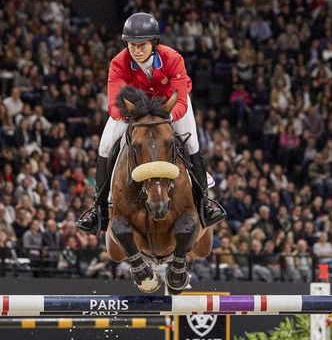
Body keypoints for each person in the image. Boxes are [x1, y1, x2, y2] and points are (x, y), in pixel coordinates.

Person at [76, 12, 226, 234]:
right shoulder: (119, 62)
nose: (136, 50)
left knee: (192, 142)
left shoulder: (173, 58)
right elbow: (114, 105)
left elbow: (181, 101)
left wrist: (163, 120)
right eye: (131, 45)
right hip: (135, 113)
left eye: (142, 45)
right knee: (106, 145)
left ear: (154, 43)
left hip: (170, 107)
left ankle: (204, 202)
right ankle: (99, 209)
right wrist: (137, 118)